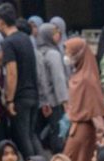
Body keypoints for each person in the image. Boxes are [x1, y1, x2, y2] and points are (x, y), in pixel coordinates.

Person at [0, 2, 41, 159]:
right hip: (33, 93)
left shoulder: (8, 42)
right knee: (32, 134)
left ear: (1, 22)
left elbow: (12, 72)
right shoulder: (25, 38)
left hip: (20, 96)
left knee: (23, 138)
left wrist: (9, 99)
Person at [63, 38, 104, 161]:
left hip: (84, 129)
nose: (67, 56)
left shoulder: (87, 79)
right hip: (76, 127)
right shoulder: (79, 74)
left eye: (70, 52)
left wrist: (101, 133)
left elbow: (95, 109)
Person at [34, 21, 67, 154]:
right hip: (55, 100)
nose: (58, 35)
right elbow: (58, 79)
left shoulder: (38, 52)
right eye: (54, 33)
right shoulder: (53, 54)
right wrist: (64, 101)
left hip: (42, 100)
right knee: (57, 132)